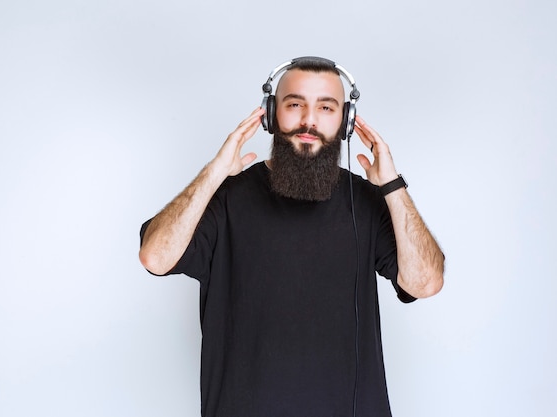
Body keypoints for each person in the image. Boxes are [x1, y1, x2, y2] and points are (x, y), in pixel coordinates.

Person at [139, 56, 444, 417]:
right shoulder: (226, 197)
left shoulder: (365, 200)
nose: (309, 120)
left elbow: (425, 283)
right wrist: (216, 171)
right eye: (295, 104)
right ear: (270, 113)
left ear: (345, 121)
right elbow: (155, 258)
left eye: (326, 107)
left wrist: (392, 186)